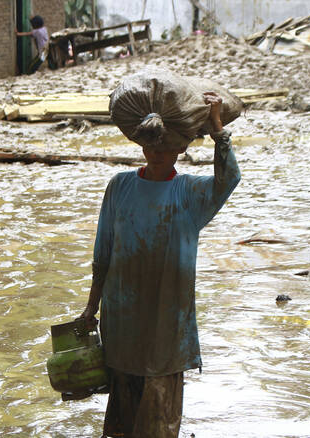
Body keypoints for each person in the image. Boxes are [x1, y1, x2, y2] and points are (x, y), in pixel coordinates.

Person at [80, 92, 240, 437]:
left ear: (180, 149)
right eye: (151, 147)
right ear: (142, 146)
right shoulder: (119, 187)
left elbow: (229, 180)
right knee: (122, 416)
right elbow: (102, 251)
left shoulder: (190, 193)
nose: (156, 154)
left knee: (159, 418)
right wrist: (91, 306)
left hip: (167, 322)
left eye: (165, 148)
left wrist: (217, 129)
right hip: (122, 319)